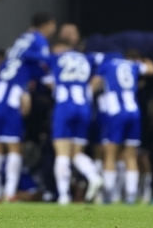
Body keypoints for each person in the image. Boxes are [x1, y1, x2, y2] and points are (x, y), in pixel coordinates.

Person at [0, 12, 55, 203]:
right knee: (14, 148)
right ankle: (9, 193)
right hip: (10, 103)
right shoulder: (36, 48)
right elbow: (46, 70)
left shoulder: (11, 55)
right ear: (49, 24)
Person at [91, 50, 153, 205]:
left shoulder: (106, 65)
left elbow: (94, 84)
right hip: (134, 111)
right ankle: (131, 195)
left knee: (110, 154)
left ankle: (110, 194)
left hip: (115, 112)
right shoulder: (133, 65)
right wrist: (145, 58)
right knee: (130, 155)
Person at [43, 39, 102, 205]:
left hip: (65, 106)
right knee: (75, 153)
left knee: (62, 153)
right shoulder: (87, 58)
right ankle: (93, 176)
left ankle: (64, 196)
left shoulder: (56, 58)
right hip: (84, 107)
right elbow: (106, 61)